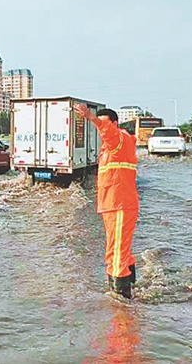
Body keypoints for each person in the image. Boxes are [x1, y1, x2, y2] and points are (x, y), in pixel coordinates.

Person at [74, 104, 140, 299]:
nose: (101, 128)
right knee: (117, 249)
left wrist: (91, 117)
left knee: (117, 253)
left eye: (105, 124)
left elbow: (108, 132)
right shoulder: (112, 146)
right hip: (112, 204)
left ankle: (121, 303)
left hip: (119, 203)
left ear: (115, 124)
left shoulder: (119, 139)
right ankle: (129, 291)